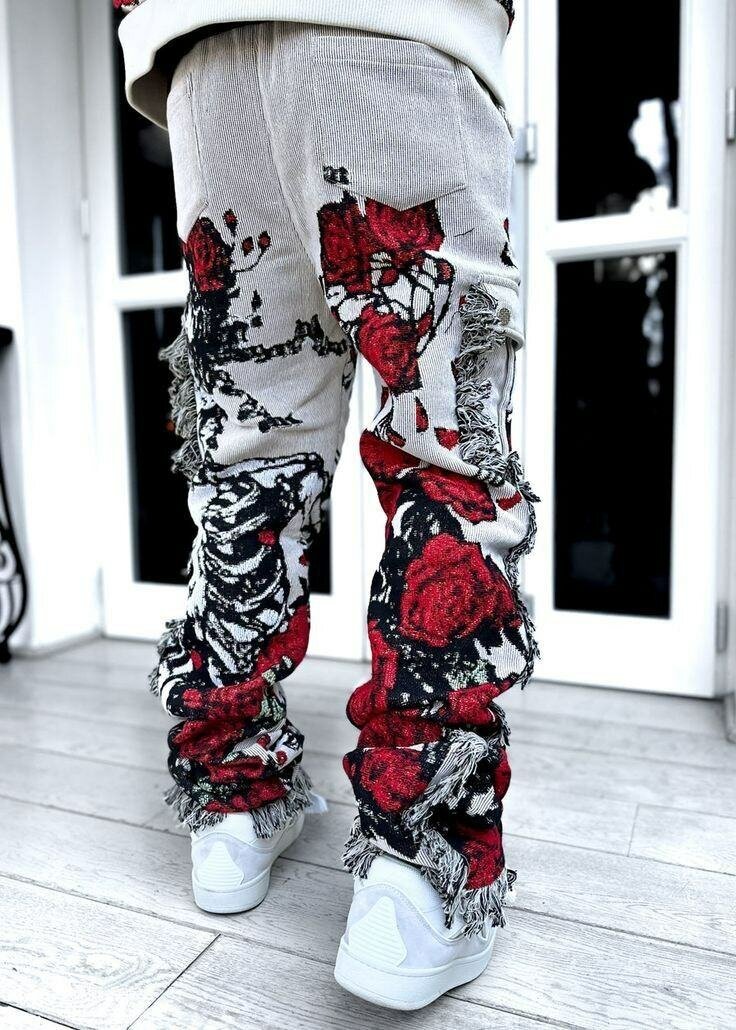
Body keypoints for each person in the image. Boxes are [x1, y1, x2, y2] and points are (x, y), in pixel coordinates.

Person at [115, 0, 538, 1010]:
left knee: (247, 457)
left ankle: (232, 807)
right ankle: (415, 876)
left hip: (204, 61)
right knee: (446, 442)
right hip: (395, 28)